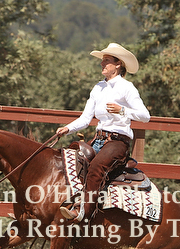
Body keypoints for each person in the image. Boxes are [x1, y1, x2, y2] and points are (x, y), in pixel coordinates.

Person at [56, 43, 150, 221]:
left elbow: (145, 116)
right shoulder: (98, 88)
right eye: (103, 60)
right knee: (71, 163)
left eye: (107, 60)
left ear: (118, 64)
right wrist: (67, 128)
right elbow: (85, 119)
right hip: (98, 140)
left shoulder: (127, 87)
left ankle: (83, 212)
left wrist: (122, 110)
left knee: (96, 168)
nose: (102, 63)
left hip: (118, 142)